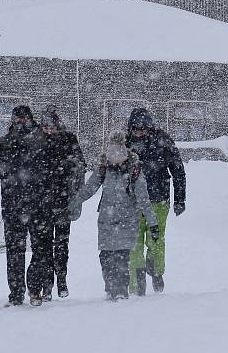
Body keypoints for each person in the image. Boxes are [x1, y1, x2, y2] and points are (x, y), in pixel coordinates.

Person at [70, 131, 158, 301]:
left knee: (121, 259)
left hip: (127, 221)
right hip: (106, 221)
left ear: (125, 151)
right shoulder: (103, 167)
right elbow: (89, 188)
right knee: (105, 257)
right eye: (111, 153)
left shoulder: (134, 169)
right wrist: (72, 204)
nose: (115, 157)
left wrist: (152, 222)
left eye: (119, 152)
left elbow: (143, 198)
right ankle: (110, 288)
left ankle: (120, 291)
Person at [0, 105, 52, 307]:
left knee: (40, 251)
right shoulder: (3, 144)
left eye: (24, 120)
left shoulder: (43, 143)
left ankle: (34, 288)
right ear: (12, 121)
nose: (21, 123)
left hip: (39, 206)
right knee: (15, 252)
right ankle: (16, 293)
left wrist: (55, 201)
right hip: (13, 206)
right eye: (17, 120)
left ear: (31, 120)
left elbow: (56, 173)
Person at [125, 108, 186, 295]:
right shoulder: (126, 143)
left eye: (142, 129)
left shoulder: (163, 141)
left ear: (149, 127)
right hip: (132, 201)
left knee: (156, 239)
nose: (138, 133)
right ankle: (136, 280)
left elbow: (178, 170)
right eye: (135, 129)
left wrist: (180, 199)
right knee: (134, 242)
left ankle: (156, 271)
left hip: (158, 199)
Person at [40, 105, 86, 300]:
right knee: (43, 244)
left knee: (61, 243)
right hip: (42, 202)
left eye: (52, 127)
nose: (49, 131)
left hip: (63, 200)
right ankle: (47, 283)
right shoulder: (37, 141)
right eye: (46, 127)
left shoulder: (69, 139)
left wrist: (66, 166)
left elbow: (81, 163)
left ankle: (61, 278)